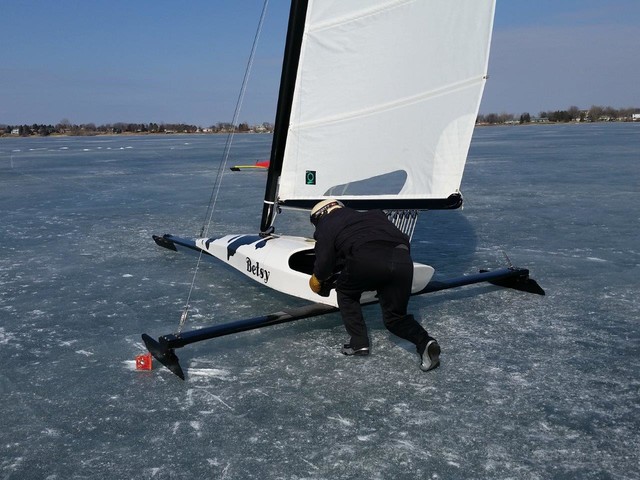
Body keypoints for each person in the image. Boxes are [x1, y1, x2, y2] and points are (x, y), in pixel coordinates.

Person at [308, 198, 440, 371]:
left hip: (367, 258)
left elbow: (325, 263)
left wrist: (318, 279)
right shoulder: (373, 215)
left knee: (346, 292)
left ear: (320, 215)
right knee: (395, 318)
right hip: (403, 260)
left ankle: (358, 343)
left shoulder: (327, 223)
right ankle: (425, 342)